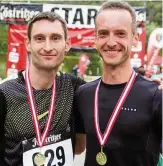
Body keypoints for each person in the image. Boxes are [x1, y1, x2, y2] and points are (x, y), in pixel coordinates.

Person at [74, 1, 162, 166]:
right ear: (96, 39)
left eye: (120, 34)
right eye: (104, 33)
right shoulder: (83, 94)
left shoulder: (156, 95)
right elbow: (78, 147)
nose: (111, 42)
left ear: (135, 39)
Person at [0, 12, 86, 166]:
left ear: (67, 44)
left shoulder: (75, 87)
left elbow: (80, 147)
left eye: (55, 38)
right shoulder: (5, 92)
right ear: (28, 44)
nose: (47, 47)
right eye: (40, 38)